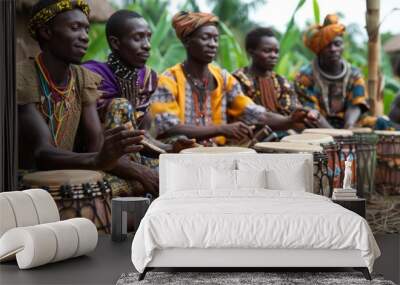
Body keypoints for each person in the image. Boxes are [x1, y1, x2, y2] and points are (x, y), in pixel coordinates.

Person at [18, 0, 158, 197]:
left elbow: (95, 145)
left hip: (77, 170)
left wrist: (130, 165)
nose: (84, 37)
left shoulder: (83, 78)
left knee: (149, 179)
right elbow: (42, 152)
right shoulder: (23, 76)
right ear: (46, 32)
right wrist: (103, 161)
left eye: (86, 29)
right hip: (29, 180)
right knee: (127, 186)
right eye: (75, 28)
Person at [150, 11, 300, 146]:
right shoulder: (169, 79)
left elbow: (254, 113)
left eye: (215, 39)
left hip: (218, 152)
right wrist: (221, 129)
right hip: (181, 156)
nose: (213, 44)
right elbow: (168, 127)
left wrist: (290, 120)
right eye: (205, 38)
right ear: (187, 42)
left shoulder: (223, 78)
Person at [83, 10, 194, 170]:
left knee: (182, 147)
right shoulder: (92, 75)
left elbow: (143, 135)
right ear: (115, 43)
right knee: (120, 106)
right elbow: (96, 142)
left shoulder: (147, 78)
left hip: (136, 156)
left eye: (148, 37)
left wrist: (169, 148)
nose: (147, 45)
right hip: (101, 161)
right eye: (138, 38)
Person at [233, 27, 320, 133]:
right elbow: (249, 115)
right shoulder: (238, 79)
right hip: (249, 137)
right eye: (267, 51)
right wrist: (289, 121)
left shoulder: (281, 81)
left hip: (284, 134)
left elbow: (292, 110)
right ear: (251, 52)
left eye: (276, 52)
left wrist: (307, 113)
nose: (274, 56)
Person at [294, 14, 369, 129]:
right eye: (327, 45)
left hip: (348, 125)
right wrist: (335, 135)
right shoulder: (305, 76)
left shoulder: (355, 75)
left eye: (337, 44)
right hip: (316, 126)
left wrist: (348, 128)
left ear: (343, 46)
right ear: (319, 49)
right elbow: (311, 112)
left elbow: (356, 105)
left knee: (381, 123)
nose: (333, 49)